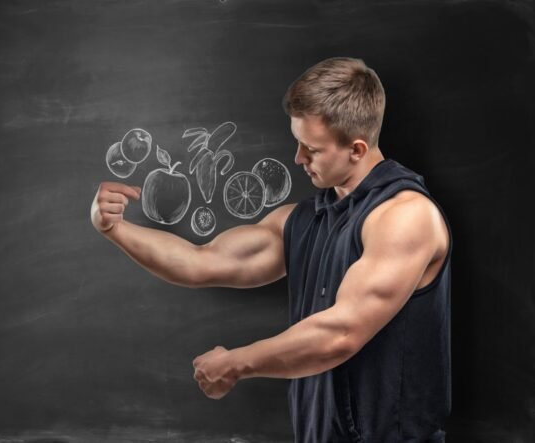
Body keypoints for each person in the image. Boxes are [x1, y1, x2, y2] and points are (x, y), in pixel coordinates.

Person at [90, 57, 452, 443]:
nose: (298, 158)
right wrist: (115, 229)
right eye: (298, 143)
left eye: (311, 149)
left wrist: (236, 363)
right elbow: (200, 262)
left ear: (357, 149)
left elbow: (342, 333)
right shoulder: (303, 219)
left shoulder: (406, 217)